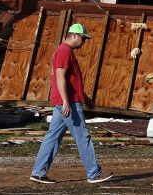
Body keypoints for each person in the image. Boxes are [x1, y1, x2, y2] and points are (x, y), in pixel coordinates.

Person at [30, 23, 114, 184]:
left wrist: (85, 97)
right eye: (83, 39)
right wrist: (66, 102)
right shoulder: (64, 51)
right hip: (68, 103)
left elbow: (70, 81)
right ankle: (94, 174)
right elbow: (60, 77)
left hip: (65, 101)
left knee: (53, 137)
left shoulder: (64, 51)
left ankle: (38, 172)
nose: (84, 43)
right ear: (74, 36)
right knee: (83, 137)